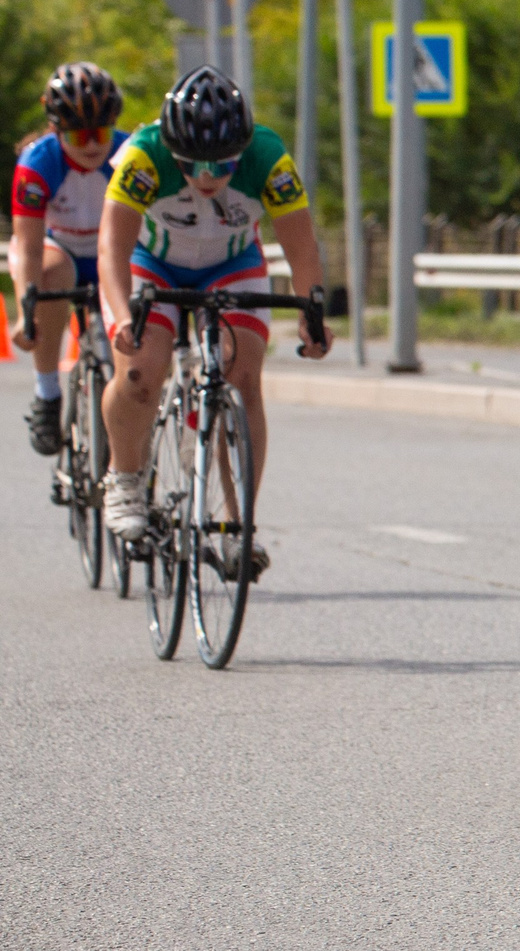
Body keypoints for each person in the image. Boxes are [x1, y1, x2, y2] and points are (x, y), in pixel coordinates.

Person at [98, 67, 332, 580]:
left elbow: (301, 248)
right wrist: (120, 316)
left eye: (223, 165)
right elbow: (111, 248)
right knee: (139, 372)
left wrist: (313, 311)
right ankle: (125, 477)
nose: (207, 178)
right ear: (172, 150)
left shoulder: (269, 158)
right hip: (152, 266)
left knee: (242, 375)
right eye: (191, 166)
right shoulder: (142, 155)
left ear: (242, 148)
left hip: (232, 264)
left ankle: (236, 523)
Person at [10, 62, 129, 454]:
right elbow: (25, 245)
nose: (92, 145)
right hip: (62, 250)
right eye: (79, 135)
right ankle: (47, 393)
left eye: (101, 132)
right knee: (51, 272)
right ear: (58, 132)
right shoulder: (37, 163)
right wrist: (25, 312)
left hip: (116, 253)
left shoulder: (128, 157)